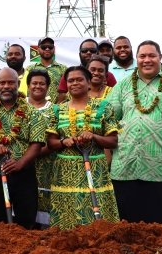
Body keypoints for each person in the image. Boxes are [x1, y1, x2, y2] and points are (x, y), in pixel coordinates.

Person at [106, 40, 162, 225]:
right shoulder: (123, 85)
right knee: (129, 228)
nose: (147, 60)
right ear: (137, 59)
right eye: (142, 56)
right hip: (127, 167)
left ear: (160, 58)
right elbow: (109, 120)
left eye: (152, 55)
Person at [46, 66, 120, 228]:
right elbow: (50, 143)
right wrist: (63, 141)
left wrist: (94, 136)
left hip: (96, 168)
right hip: (65, 171)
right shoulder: (57, 109)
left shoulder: (103, 107)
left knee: (99, 219)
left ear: (88, 82)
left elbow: (113, 141)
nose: (74, 83)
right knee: (66, 220)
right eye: (70, 81)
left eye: (79, 79)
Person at [0, 68, 46, 229]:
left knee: (26, 222)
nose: (6, 86)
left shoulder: (33, 113)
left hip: (24, 175)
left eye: (11, 82)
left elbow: (37, 144)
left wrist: (20, 164)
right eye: (2, 82)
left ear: (18, 84)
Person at [25, 69, 58, 226]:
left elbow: (55, 137)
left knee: (43, 213)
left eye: (42, 83)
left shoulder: (55, 110)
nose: (37, 86)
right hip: (19, 164)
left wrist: (34, 153)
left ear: (48, 87)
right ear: (28, 85)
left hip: (46, 165)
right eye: (34, 83)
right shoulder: (18, 106)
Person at [57, 39, 117, 103]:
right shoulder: (70, 75)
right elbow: (61, 102)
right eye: (84, 50)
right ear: (80, 54)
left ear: (98, 53)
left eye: (92, 50)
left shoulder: (109, 76)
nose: (88, 52)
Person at [26, 37, 68, 103]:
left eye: (50, 47)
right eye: (43, 47)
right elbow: (27, 90)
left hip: (58, 109)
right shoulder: (29, 69)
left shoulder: (63, 69)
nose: (47, 49)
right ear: (38, 50)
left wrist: (58, 106)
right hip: (35, 109)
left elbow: (66, 90)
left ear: (54, 49)